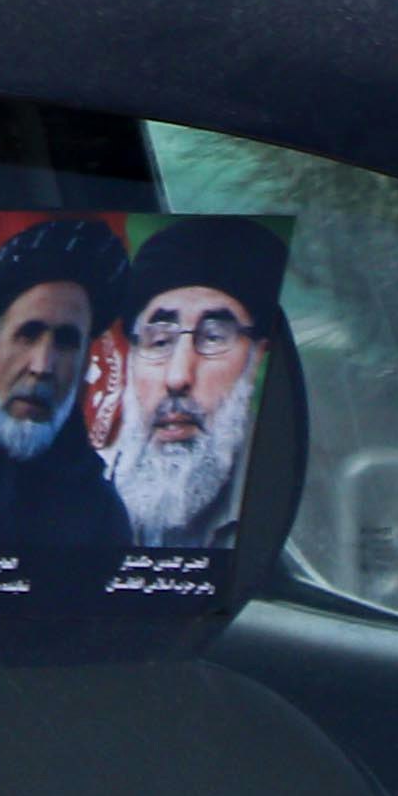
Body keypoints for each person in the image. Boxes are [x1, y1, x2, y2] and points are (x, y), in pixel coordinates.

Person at [105, 217, 287, 553]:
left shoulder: (286, 498)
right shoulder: (70, 495)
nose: (177, 377)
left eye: (214, 337)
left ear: (258, 357)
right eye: (159, 341)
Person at [0, 214, 134, 558]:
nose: (42, 367)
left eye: (67, 342)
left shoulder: (102, 516)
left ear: (87, 362)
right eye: (28, 335)